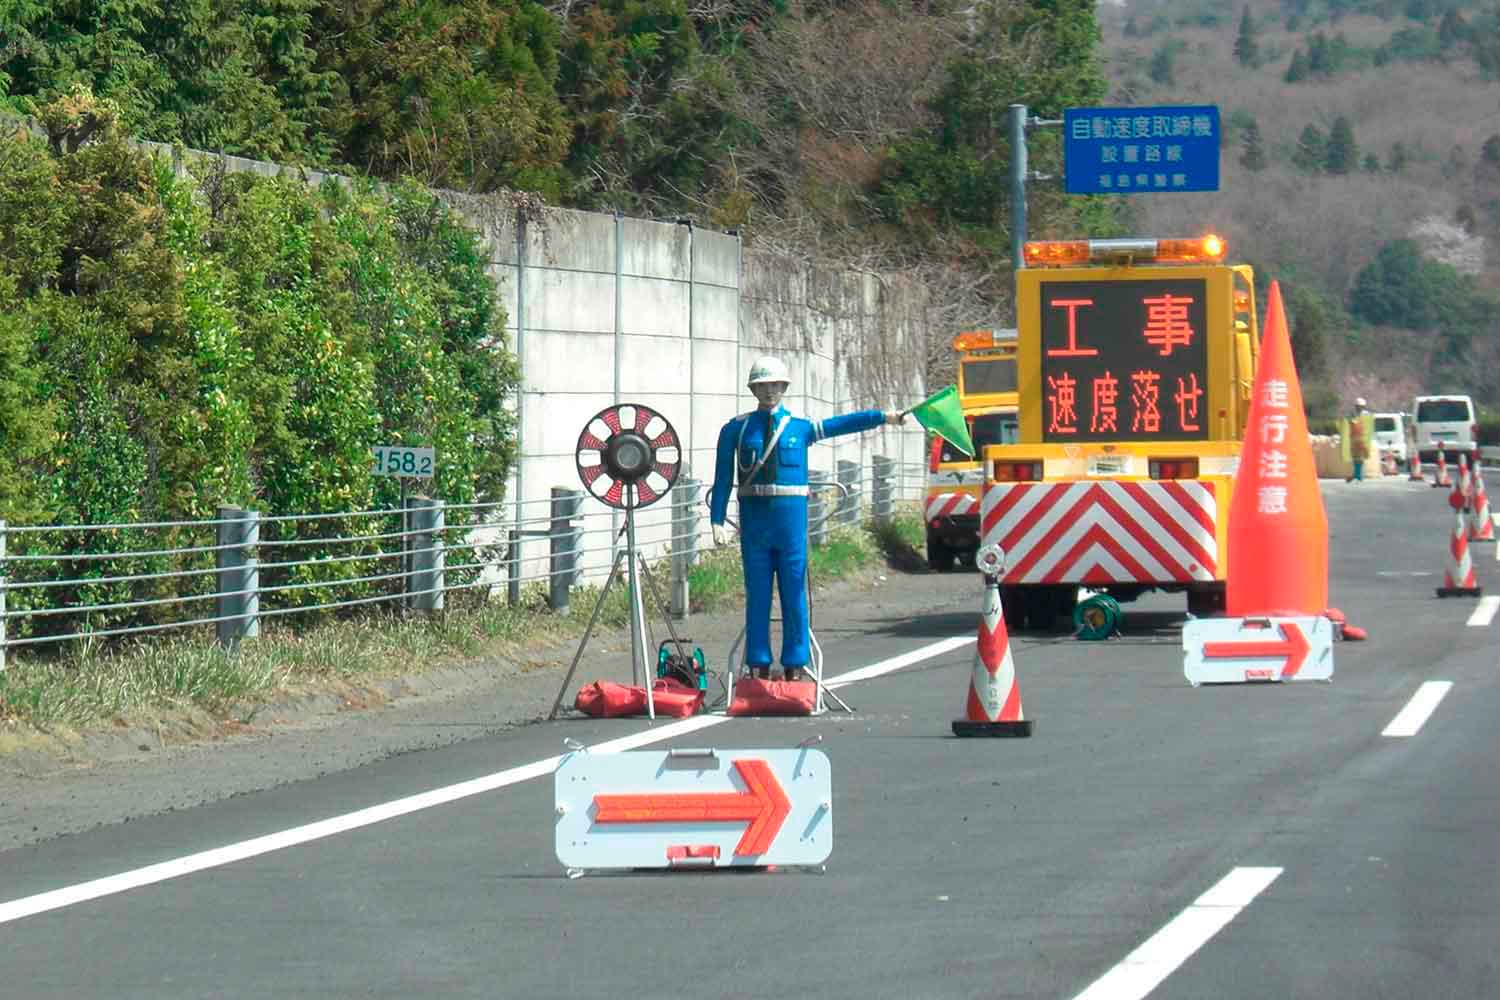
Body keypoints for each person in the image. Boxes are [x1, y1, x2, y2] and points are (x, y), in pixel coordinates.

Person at [709, 356, 904, 681]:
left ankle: (795, 662)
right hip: (754, 521)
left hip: (791, 523)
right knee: (756, 592)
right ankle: (757, 661)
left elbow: (841, 424)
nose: (769, 391)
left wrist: (883, 417)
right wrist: (717, 519)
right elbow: (722, 477)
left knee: (794, 591)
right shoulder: (737, 429)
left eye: (775, 385)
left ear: (784, 388)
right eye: (762, 386)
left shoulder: (799, 426)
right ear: (753, 389)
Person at [1347, 397, 1370, 483]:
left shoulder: (1366, 414)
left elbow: (1368, 426)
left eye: (1361, 406)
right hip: (1354, 438)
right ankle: (1357, 475)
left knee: (1361, 458)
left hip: (1362, 438)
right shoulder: (1353, 414)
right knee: (1355, 457)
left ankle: (1358, 475)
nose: (1359, 407)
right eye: (1358, 406)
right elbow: (1350, 423)